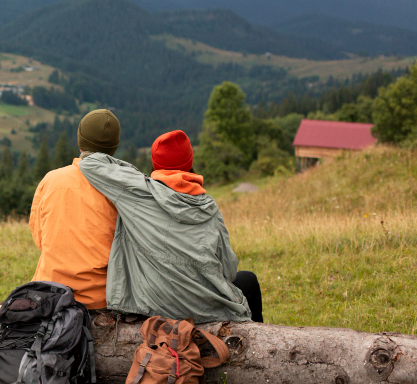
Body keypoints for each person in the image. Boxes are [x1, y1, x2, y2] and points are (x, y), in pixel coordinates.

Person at [78, 130, 259, 323]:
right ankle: (259, 342)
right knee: (248, 280)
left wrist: (139, 176)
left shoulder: (137, 194)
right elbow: (229, 272)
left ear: (156, 164)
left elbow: (89, 163)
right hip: (203, 310)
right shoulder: (209, 208)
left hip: (151, 306)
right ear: (189, 162)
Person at [28, 109, 121, 310]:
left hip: (49, 294)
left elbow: (40, 238)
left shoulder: (52, 180)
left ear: (80, 139)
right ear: (114, 145)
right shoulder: (125, 186)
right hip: (103, 299)